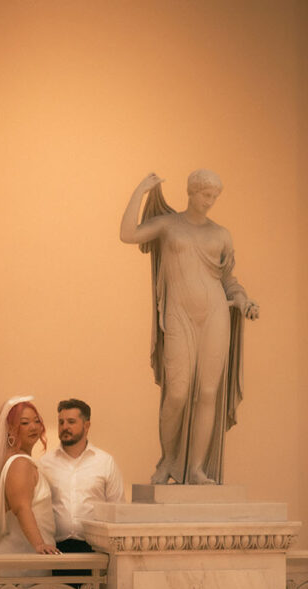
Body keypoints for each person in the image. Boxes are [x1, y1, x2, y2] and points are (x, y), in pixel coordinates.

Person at [120, 170, 259, 485]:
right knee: (178, 392)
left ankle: (196, 469)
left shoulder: (221, 234)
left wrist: (242, 299)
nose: (209, 202)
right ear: (191, 192)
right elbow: (128, 234)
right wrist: (140, 191)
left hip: (215, 315)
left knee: (208, 392)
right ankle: (168, 459)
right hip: (179, 315)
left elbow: (228, 280)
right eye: (204, 195)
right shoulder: (169, 226)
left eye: (214, 197)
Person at [38, 398, 125, 553]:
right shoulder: (45, 463)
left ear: (87, 425)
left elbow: (117, 508)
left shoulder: (105, 462)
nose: (65, 427)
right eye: (61, 422)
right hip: (55, 550)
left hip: (96, 549)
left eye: (71, 422)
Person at [0, 395, 59, 554]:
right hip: (25, 557)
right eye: (25, 423)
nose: (33, 427)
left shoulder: (7, 462)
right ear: (9, 428)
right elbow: (21, 507)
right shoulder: (20, 463)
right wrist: (39, 545)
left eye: (37, 421)